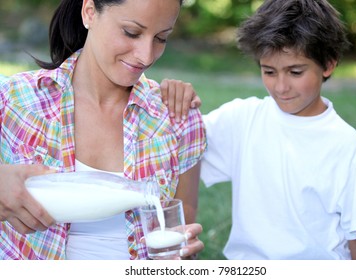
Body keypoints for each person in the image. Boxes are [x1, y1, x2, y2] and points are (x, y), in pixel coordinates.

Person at [164, 0, 356, 259]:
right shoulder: (242, 119)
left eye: (295, 72)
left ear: (328, 64)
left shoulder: (347, 146)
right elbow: (180, 143)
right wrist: (177, 101)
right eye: (269, 71)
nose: (280, 87)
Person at [0, 0, 206, 260]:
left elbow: (180, 228)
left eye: (161, 38)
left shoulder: (177, 118)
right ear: (89, 12)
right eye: (131, 32)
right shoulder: (16, 100)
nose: (146, 55)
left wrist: (182, 254)